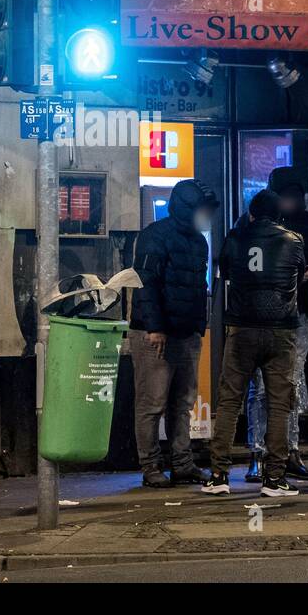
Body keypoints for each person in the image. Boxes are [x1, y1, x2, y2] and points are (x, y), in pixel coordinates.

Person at [203, 190, 306, 498]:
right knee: (279, 405)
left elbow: (226, 274)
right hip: (281, 331)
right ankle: (274, 478)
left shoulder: (234, 238)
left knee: (230, 401)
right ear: (280, 214)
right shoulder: (294, 240)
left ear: (251, 212)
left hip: (242, 329)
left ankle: (219, 474)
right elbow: (299, 276)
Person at [129, 178, 219, 488]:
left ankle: (183, 463)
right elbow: (146, 284)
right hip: (156, 334)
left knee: (182, 402)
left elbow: (199, 287)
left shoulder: (198, 241)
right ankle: (150, 465)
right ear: (186, 209)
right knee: (152, 403)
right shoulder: (155, 236)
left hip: (186, 333)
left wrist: (198, 324)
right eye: (202, 209)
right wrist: (155, 327)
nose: (206, 215)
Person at [242, 166, 308, 482]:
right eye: (287, 196)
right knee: (262, 387)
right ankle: (259, 452)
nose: (292, 201)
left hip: (298, 312)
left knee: (289, 382)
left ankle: (289, 451)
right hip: (267, 316)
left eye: (296, 196)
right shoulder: (254, 226)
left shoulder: (307, 223)